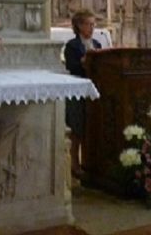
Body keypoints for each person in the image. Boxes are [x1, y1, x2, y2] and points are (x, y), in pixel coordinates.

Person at [63, 9, 101, 179]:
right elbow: (72, 67)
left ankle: (92, 161)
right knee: (77, 128)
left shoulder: (98, 45)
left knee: (92, 127)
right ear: (79, 26)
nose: (92, 28)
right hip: (78, 91)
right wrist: (84, 62)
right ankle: (74, 163)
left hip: (94, 90)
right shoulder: (72, 46)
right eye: (88, 24)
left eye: (94, 24)